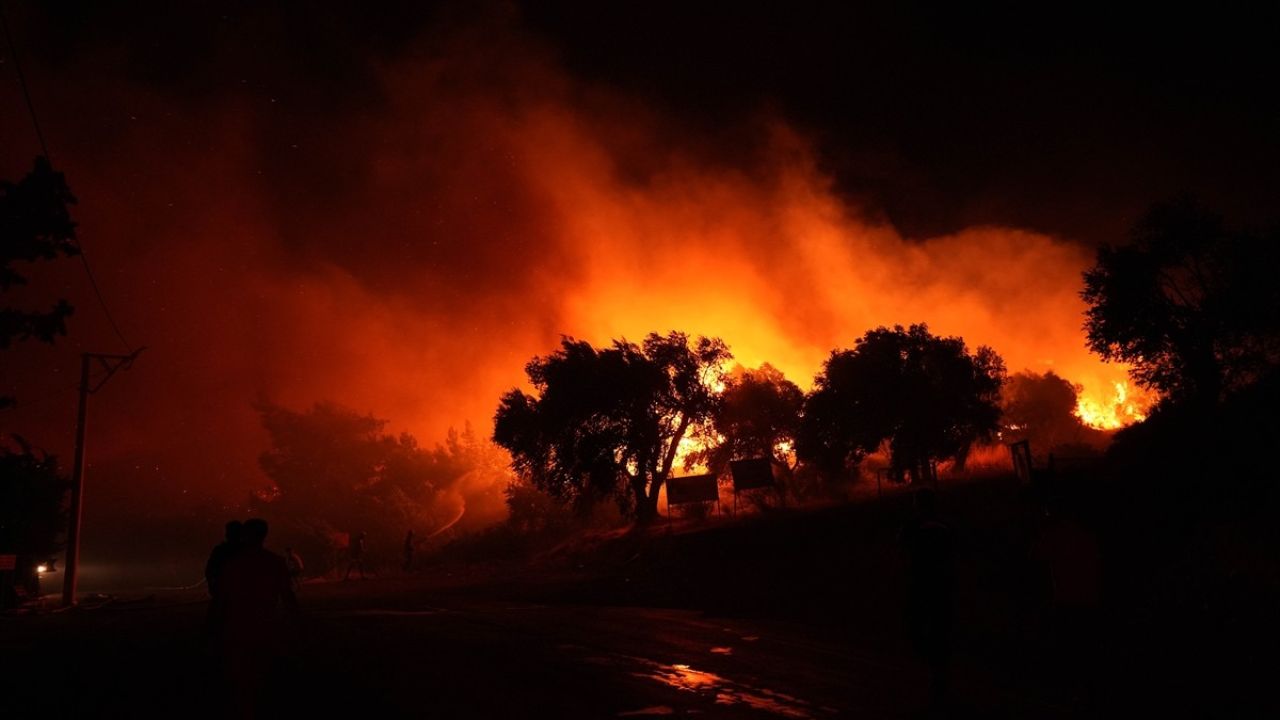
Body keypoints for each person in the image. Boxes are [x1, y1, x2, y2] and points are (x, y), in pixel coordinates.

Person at [219, 518, 298, 717]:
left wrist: (214, 628)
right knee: (264, 676)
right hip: (265, 626)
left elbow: (221, 599)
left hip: (238, 628)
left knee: (242, 680)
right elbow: (287, 596)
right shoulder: (275, 563)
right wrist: (296, 623)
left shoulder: (233, 565)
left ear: (245, 536)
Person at [900, 487, 955, 710]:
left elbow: (901, 549)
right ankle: (938, 669)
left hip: (922, 585)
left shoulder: (912, 528)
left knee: (918, 628)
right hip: (940, 586)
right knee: (936, 628)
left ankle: (936, 670)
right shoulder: (945, 527)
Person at [205, 520, 243, 598]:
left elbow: (210, 570)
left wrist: (212, 586)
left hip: (223, 590)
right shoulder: (247, 551)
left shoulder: (220, 550)